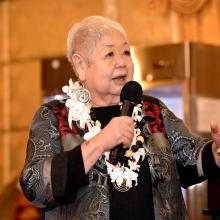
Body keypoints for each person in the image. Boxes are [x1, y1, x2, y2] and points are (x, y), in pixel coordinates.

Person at [19, 15, 220, 220]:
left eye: (126, 52)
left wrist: (215, 151)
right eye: (109, 54)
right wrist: (101, 142)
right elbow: (35, 186)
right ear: (81, 66)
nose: (122, 62)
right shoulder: (55, 116)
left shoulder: (153, 110)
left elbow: (189, 158)